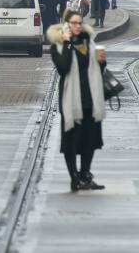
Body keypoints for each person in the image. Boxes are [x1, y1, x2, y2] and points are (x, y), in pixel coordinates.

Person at [48, 10, 106, 192]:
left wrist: (102, 62)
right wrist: (66, 42)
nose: (78, 26)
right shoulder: (57, 45)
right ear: (66, 24)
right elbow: (63, 68)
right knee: (71, 140)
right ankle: (74, 177)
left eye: (80, 22)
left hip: (90, 97)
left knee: (90, 139)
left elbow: (98, 68)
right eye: (74, 23)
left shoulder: (88, 41)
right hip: (71, 100)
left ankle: (85, 174)